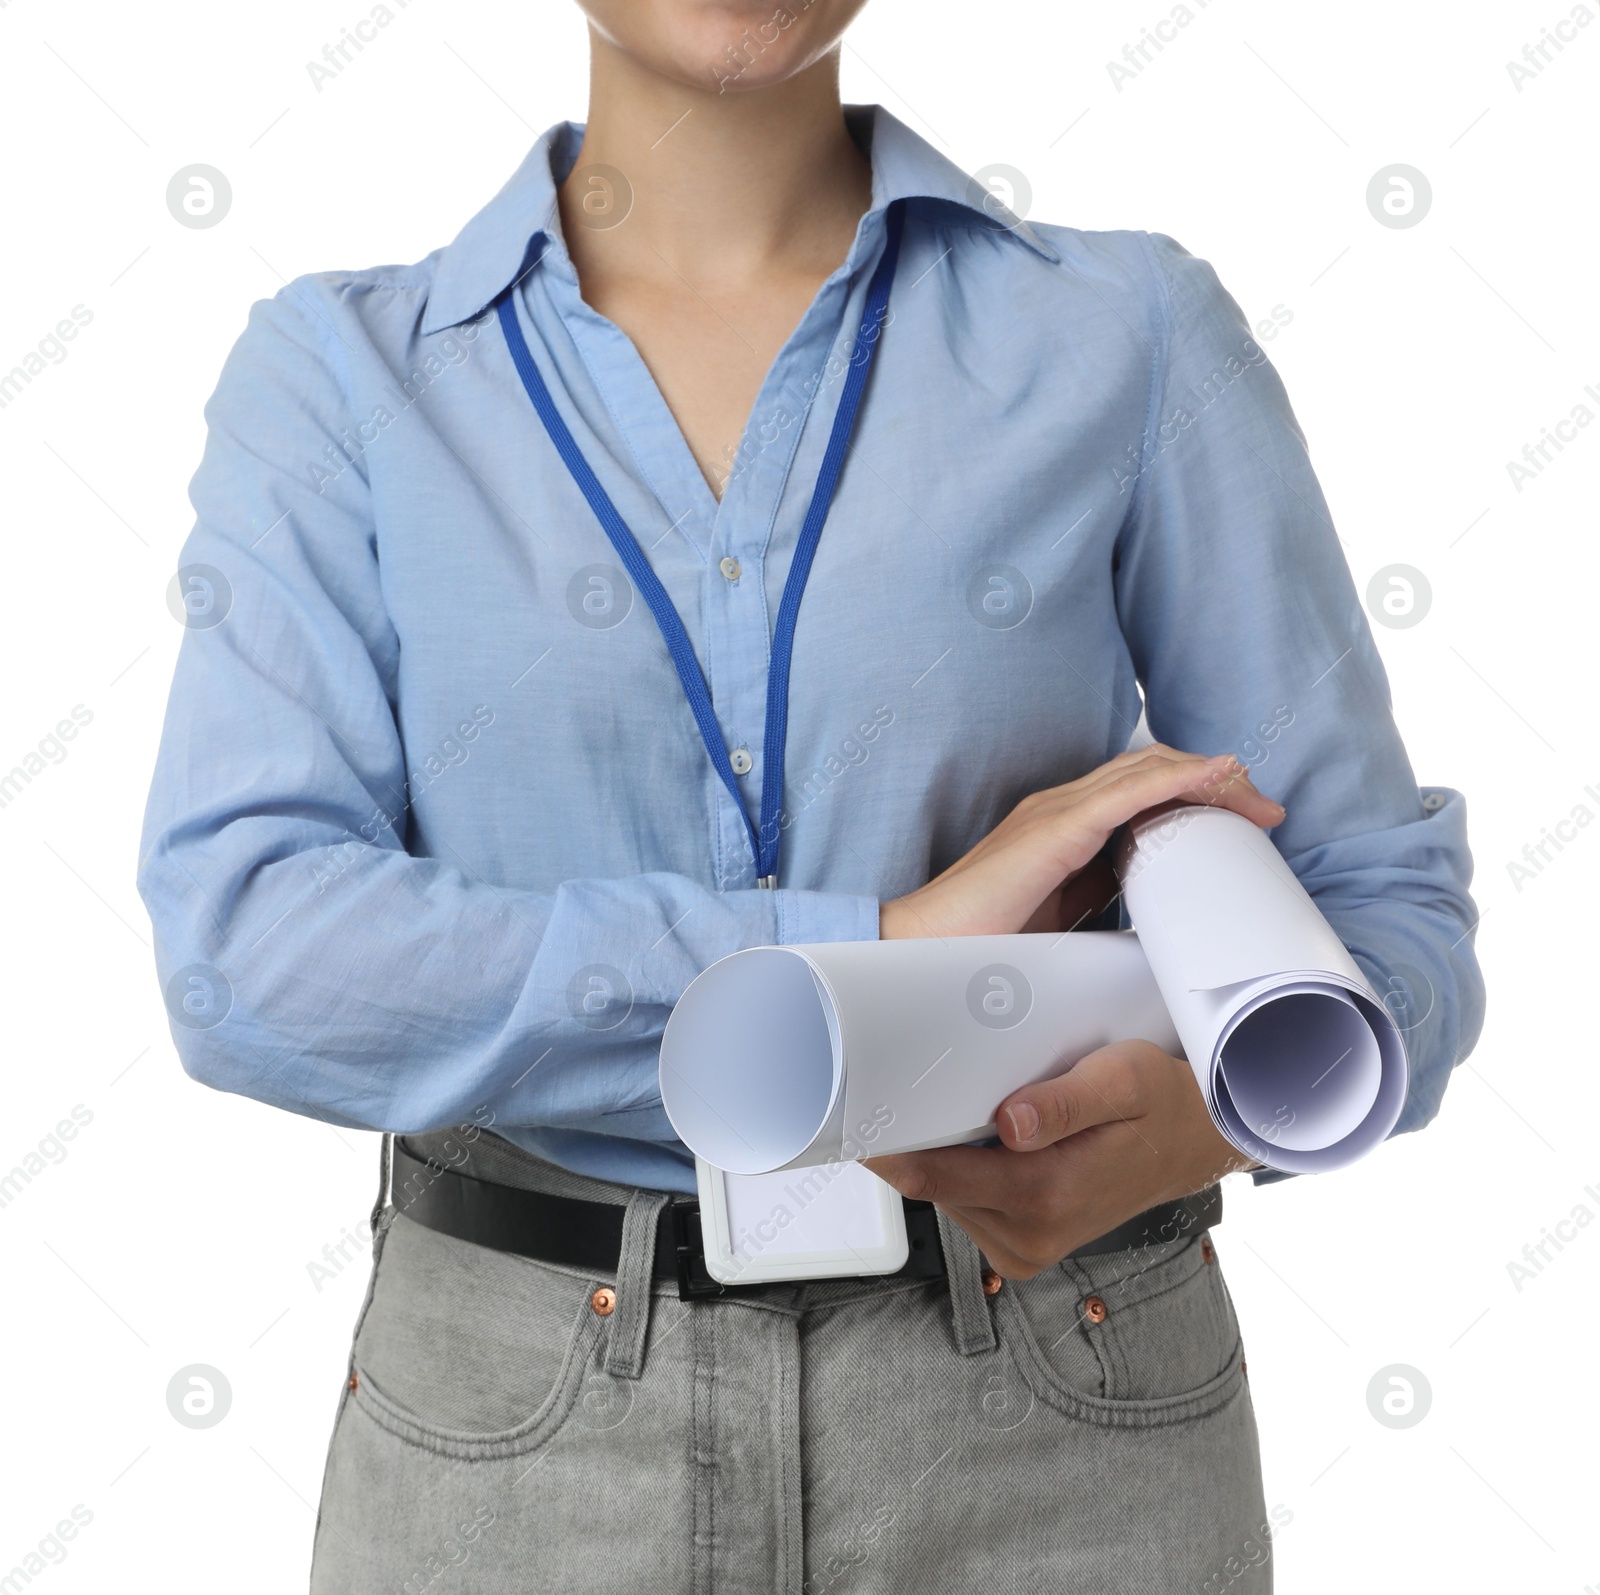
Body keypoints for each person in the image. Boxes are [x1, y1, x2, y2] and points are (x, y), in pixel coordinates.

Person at [137, 2, 1486, 1589]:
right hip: (518, 1433)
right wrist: (884, 943)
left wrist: (1204, 1120)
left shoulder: (1131, 334)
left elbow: (1384, 910)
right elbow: (249, 957)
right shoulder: (343, 375)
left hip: (1060, 1399)